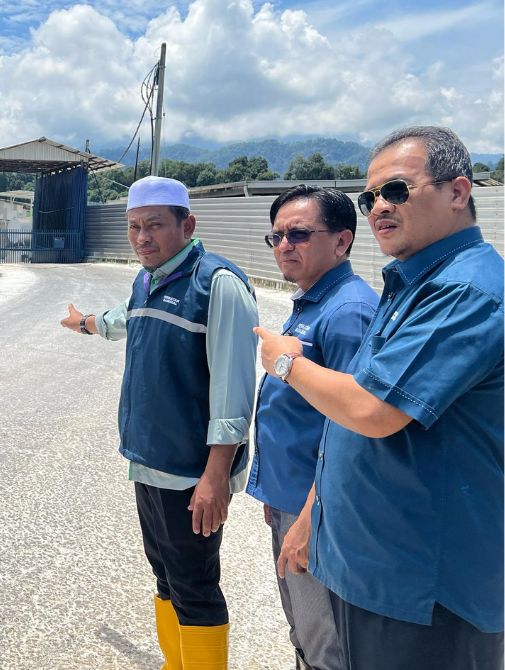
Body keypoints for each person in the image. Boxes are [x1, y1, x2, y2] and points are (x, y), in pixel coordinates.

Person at [257, 126, 504, 669]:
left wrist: (285, 362)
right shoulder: (415, 286)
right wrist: (315, 517)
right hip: (377, 570)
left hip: (423, 588)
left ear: (458, 192)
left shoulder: (464, 290)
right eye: (370, 198)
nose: (378, 208)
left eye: (396, 190)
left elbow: (371, 410)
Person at [62, 176, 258, 670]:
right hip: (150, 460)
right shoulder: (147, 279)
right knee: (166, 576)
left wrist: (216, 476)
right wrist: (85, 322)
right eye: (134, 227)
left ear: (187, 226)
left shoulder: (217, 284)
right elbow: (126, 318)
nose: (141, 237)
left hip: (192, 471)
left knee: (195, 586)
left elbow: (233, 392)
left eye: (154, 225)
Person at [245, 186, 377, 670]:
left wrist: (308, 517)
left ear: (342, 241)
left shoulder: (347, 312)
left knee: (325, 642)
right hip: (294, 501)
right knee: (304, 629)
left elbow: (352, 429)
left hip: (318, 512)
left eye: (299, 234)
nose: (284, 245)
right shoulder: (318, 302)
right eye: (276, 236)